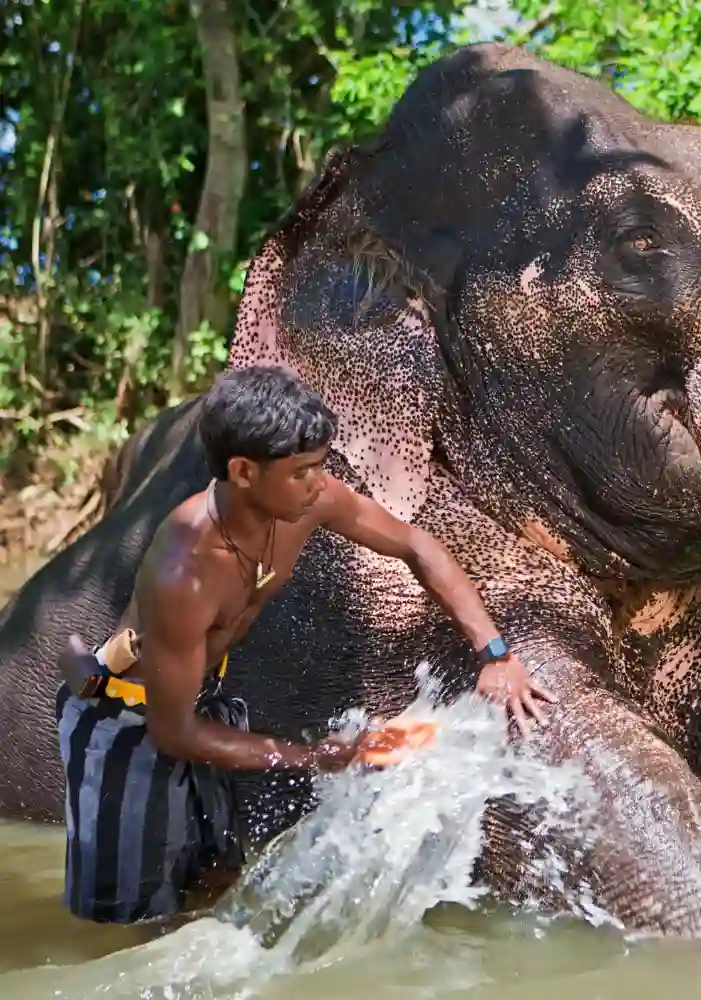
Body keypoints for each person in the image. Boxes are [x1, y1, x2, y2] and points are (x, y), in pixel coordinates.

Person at [55, 363, 557, 925]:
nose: (320, 483)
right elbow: (171, 733)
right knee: (134, 923)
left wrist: (495, 653)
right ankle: (82, 675)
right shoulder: (185, 569)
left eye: (321, 465)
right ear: (244, 472)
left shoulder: (308, 501)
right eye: (302, 471)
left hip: (201, 699)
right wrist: (314, 757)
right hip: (133, 722)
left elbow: (415, 544)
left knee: (217, 881)